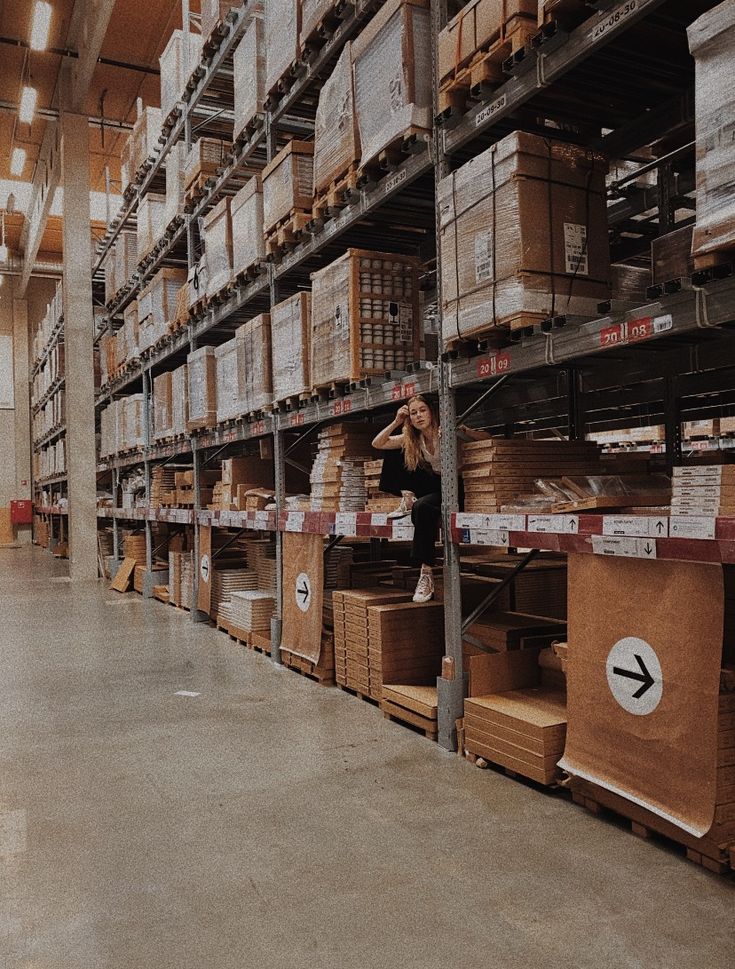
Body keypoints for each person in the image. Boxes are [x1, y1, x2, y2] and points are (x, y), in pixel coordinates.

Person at [371, 395, 443, 604]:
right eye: (413, 413)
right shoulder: (414, 437)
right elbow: (378, 443)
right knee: (395, 451)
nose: (418, 415)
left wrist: (455, 434)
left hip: (451, 486)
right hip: (430, 485)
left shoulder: (445, 430)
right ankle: (407, 497)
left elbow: (482, 437)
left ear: (432, 411)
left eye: (422, 410)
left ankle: (426, 573)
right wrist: (397, 421)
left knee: (423, 508)